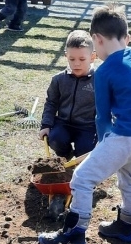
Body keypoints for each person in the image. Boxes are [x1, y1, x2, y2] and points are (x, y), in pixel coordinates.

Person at [37, 3, 131, 244]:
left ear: (97, 39)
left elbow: (102, 118)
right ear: (124, 35)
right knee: (129, 179)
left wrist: (104, 146)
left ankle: (74, 233)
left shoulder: (104, 72)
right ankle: (126, 228)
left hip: (124, 137)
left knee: (82, 179)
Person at [38, 30, 97, 160]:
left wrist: (105, 131)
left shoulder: (100, 80)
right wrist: (46, 125)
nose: (76, 63)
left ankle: (81, 164)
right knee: (55, 139)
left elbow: (107, 107)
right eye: (72, 59)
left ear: (93, 57)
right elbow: (51, 103)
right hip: (63, 123)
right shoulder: (58, 79)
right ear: (66, 56)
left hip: (88, 126)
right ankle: (65, 157)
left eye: (82, 59)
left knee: (86, 149)